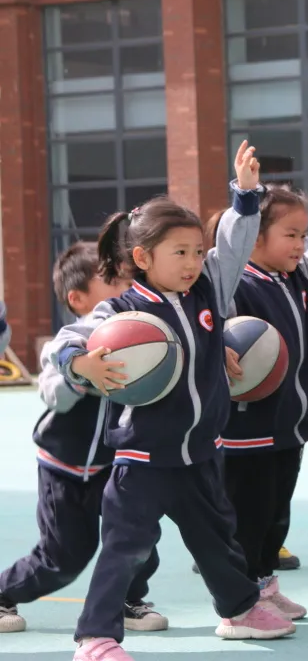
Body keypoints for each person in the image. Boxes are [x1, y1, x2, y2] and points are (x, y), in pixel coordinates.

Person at [45, 142, 295, 660]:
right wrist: (82, 364)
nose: (193, 262)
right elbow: (67, 340)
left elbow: (233, 246)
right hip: (142, 458)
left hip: (199, 452)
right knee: (125, 549)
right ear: (142, 257)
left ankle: (240, 610)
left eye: (196, 252)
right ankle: (96, 637)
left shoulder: (208, 293)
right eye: (179, 253)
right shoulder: (121, 311)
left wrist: (246, 196)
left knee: (218, 538)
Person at [214, 171, 308, 619]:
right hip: (247, 428)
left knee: (276, 516)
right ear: (255, 238)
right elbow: (213, 330)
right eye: (290, 234)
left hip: (289, 425)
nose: (301, 244)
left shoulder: (300, 278)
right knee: (249, 518)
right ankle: (240, 602)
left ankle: (263, 584)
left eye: (303, 233)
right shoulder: (235, 286)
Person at [0, 244, 166, 635]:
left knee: (138, 538)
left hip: (117, 465)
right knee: (64, 556)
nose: (127, 287)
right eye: (114, 281)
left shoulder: (143, 338)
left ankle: (127, 599)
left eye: (129, 278)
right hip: (66, 468)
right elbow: (52, 392)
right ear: (78, 299)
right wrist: (84, 372)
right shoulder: (67, 343)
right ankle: (4, 591)